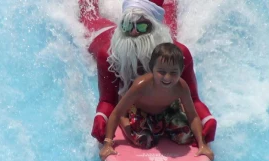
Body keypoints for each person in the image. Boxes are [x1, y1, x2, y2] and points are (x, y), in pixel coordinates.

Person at [79, 0, 217, 146]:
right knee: (89, 20)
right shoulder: (109, 55)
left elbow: (193, 98)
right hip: (103, 36)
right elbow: (108, 100)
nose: (133, 32)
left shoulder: (178, 55)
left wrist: (206, 119)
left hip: (159, 38)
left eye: (141, 25)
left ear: (156, 29)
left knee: (169, 21)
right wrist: (101, 117)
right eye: (127, 25)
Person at [99, 43, 214, 161]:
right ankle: (125, 121)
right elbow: (117, 113)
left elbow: (193, 116)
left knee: (185, 137)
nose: (167, 77)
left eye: (174, 72)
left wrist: (202, 144)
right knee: (144, 140)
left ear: (181, 70)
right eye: (162, 72)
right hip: (141, 111)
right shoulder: (141, 86)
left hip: (168, 110)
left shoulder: (182, 87)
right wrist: (108, 143)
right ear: (151, 69)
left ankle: (164, 126)